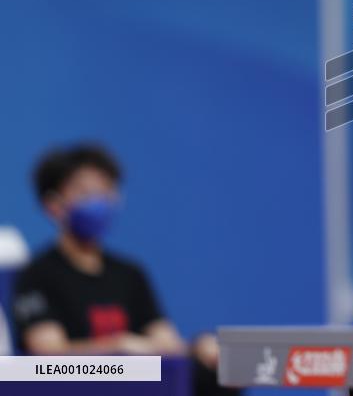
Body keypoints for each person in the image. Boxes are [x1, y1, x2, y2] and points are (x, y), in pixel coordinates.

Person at [12, 144, 237, 395]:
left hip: (136, 380)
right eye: (85, 192)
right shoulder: (36, 275)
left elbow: (165, 342)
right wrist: (117, 348)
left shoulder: (130, 274)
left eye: (106, 190)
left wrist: (198, 348)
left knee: (216, 376)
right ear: (53, 205)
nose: (99, 201)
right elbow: (48, 357)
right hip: (85, 385)